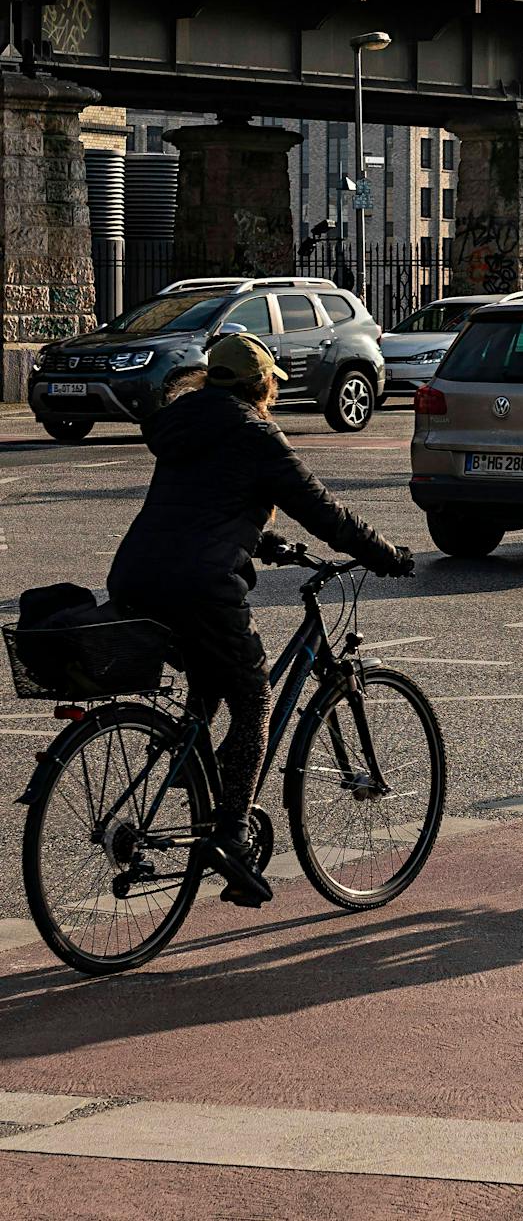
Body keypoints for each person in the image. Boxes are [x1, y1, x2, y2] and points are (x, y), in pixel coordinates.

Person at [107, 332, 413, 909]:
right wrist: (384, 554)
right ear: (262, 383)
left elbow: (202, 505)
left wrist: (263, 543)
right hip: (201, 588)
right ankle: (227, 834)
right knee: (254, 700)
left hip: (138, 579)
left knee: (209, 679)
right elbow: (325, 511)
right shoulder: (255, 433)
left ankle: (198, 778)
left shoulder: (184, 422)